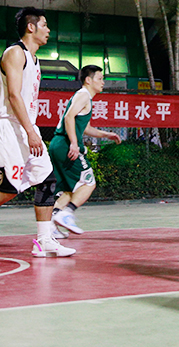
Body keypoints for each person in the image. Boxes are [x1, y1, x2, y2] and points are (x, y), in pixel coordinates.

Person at [0, 7, 74, 258]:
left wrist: (30, 129)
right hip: (7, 126)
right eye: (44, 24)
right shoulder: (15, 53)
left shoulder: (34, 58)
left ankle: (44, 240)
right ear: (31, 27)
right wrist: (31, 131)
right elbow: (13, 95)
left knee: (47, 181)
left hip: (26, 126)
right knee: (8, 188)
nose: (48, 30)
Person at [49, 65, 121, 236]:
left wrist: (106, 134)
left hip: (58, 144)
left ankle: (51, 224)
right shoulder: (83, 95)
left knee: (71, 189)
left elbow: (86, 127)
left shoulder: (84, 97)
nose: (103, 82)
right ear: (88, 80)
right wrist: (74, 143)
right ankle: (67, 213)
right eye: (100, 79)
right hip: (66, 143)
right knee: (88, 183)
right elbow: (69, 117)